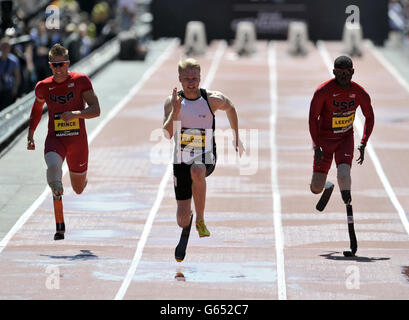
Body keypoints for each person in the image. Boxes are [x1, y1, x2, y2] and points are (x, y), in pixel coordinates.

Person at [163, 58, 244, 244]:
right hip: (181, 161)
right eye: (187, 79)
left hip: (206, 156)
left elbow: (231, 107)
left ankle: (200, 219)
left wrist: (236, 136)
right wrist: (175, 112)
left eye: (195, 78)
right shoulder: (172, 103)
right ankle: (189, 218)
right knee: (181, 220)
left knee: (197, 170)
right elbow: (167, 134)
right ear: (180, 79)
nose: (191, 83)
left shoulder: (212, 100)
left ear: (200, 78)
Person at [27, 43, 100, 240]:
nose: (58, 69)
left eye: (62, 65)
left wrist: (75, 114)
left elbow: (96, 109)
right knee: (53, 169)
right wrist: (31, 133)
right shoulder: (43, 86)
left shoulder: (81, 81)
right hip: (55, 140)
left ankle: (80, 180)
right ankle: (56, 188)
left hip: (78, 142)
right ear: (50, 66)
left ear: (68, 64)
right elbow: (36, 110)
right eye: (54, 65)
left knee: (78, 189)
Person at [309, 55, 374, 214]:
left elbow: (369, 117)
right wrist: (317, 146)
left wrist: (364, 142)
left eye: (347, 72)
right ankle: (327, 186)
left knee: (344, 175)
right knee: (316, 188)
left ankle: (347, 199)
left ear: (352, 72)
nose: (344, 76)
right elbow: (312, 118)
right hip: (324, 142)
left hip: (345, 139)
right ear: (334, 72)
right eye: (340, 73)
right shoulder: (323, 92)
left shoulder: (359, 93)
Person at [0, 37, 21, 111]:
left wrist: (15, 89)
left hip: (8, 88)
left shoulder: (13, 60)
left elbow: (17, 76)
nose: (5, 49)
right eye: (3, 46)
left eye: (7, 46)